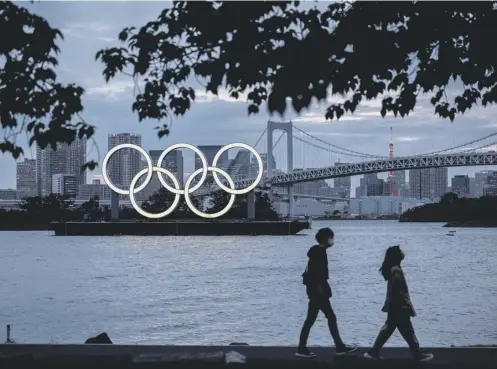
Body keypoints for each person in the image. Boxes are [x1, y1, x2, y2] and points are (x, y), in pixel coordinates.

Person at [364, 245, 434, 362]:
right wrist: (401, 303)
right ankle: (417, 355)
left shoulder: (394, 268)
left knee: (394, 330)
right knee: (405, 331)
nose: (402, 253)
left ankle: (374, 352)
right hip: (399, 306)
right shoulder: (396, 270)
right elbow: (395, 287)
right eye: (400, 251)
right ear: (396, 256)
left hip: (395, 305)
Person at [296, 227, 356, 358]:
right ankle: (337, 346)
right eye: (331, 237)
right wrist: (320, 290)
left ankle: (304, 347)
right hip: (319, 292)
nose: (332, 240)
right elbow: (317, 273)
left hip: (316, 291)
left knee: (313, 320)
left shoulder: (316, 251)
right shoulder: (320, 252)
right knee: (325, 318)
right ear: (326, 238)